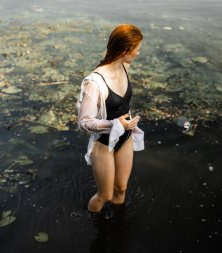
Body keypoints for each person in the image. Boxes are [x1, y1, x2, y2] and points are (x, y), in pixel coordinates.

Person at [77, 24, 145, 219]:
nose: (138, 54)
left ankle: (117, 223)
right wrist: (115, 125)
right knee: (104, 195)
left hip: (126, 137)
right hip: (103, 143)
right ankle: (93, 223)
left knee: (121, 188)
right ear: (125, 51)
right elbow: (84, 122)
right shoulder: (95, 82)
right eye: (137, 49)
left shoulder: (125, 66)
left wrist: (125, 127)